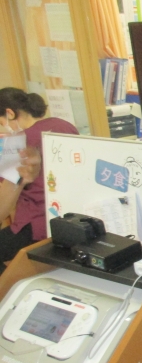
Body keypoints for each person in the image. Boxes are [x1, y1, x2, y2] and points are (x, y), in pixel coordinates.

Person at [0, 88, 78, 274]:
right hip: (71, 219)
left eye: (1, 122)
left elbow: (5, 201)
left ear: (10, 113)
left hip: (37, 225)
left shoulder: (17, 143)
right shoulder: (64, 125)